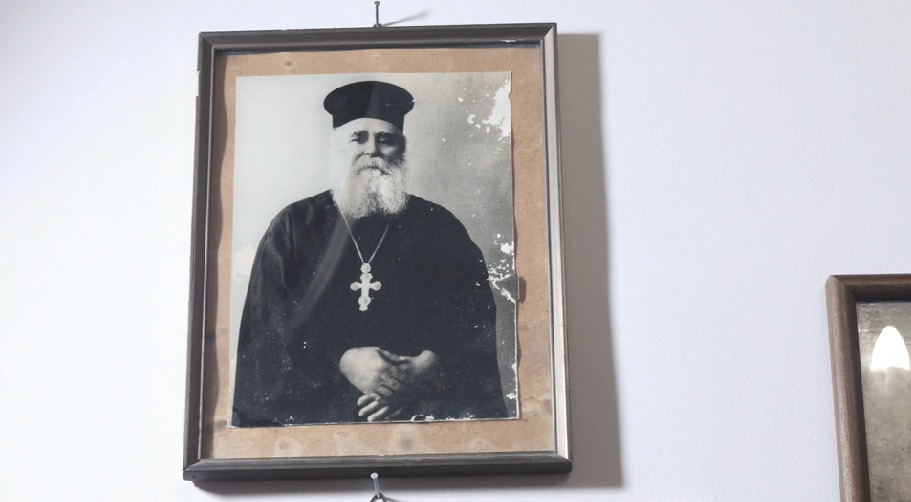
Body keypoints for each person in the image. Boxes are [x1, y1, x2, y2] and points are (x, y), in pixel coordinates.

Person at [232, 80, 508, 427]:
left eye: (385, 139)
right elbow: (265, 337)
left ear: (400, 151)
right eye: (358, 138)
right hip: (321, 423)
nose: (372, 150)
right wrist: (342, 361)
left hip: (418, 419)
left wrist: (428, 371)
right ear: (335, 148)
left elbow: (474, 326)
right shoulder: (293, 227)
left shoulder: (439, 227)